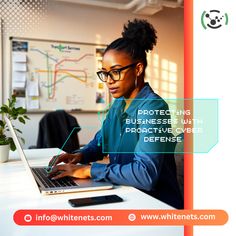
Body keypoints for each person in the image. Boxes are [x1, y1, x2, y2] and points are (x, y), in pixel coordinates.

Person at [48, 19, 183, 209]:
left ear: (138, 69)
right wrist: (79, 156)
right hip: (128, 193)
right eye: (105, 73)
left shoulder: (153, 108)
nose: (108, 81)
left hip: (157, 204)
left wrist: (89, 170)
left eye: (116, 72)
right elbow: (100, 142)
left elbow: (145, 174)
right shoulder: (119, 104)